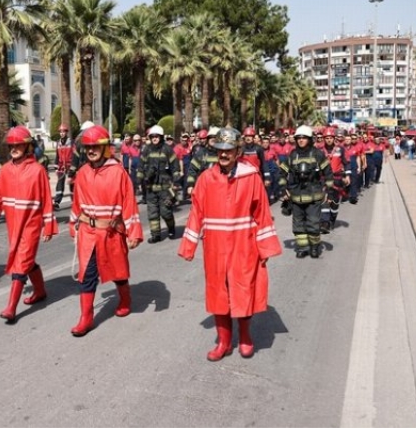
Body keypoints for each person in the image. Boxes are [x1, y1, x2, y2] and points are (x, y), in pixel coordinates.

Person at [178, 127, 282, 361]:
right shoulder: (206, 178)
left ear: (237, 151)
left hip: (243, 244)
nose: (223, 154)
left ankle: (245, 337)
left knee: (243, 289)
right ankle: (223, 342)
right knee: (218, 292)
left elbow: (262, 213)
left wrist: (264, 247)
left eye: (228, 150)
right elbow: (197, 213)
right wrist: (189, 245)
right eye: (220, 150)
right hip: (214, 246)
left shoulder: (251, 177)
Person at [69, 125, 143, 337]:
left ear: (105, 148)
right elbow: (77, 203)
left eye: (95, 146)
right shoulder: (82, 173)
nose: (91, 150)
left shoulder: (118, 173)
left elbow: (129, 203)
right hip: (88, 234)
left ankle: (125, 298)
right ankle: (86, 317)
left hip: (110, 232)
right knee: (87, 274)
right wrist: (73, 224)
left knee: (117, 271)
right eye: (88, 147)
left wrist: (134, 232)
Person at [0, 126, 58, 324]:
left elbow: (47, 200)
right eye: (11, 145)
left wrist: (48, 226)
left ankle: (11, 307)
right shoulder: (5, 170)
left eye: (19, 144)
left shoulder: (38, 171)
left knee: (21, 262)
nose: (14, 148)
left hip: (31, 225)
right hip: (13, 225)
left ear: (27, 145)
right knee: (26, 260)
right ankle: (40, 291)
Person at [279, 125, 334, 259]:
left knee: (313, 223)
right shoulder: (292, 155)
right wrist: (283, 190)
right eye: (299, 138)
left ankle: (315, 247)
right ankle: (302, 247)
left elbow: (328, 173)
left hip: (313, 197)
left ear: (310, 139)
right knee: (298, 225)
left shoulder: (317, 154)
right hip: (296, 197)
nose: (301, 140)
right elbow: (282, 173)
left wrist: (330, 192)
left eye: (304, 138)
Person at [137, 124, 181, 243]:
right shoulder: (146, 149)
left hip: (165, 188)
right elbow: (140, 166)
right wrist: (139, 182)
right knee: (152, 213)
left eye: (157, 136)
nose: (155, 138)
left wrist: (176, 182)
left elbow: (175, 166)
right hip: (150, 187)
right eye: (152, 136)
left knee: (166, 212)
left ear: (161, 137)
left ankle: (171, 228)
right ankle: (155, 234)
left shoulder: (167, 149)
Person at [319, 127, 350, 233]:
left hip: (337, 179)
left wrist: (347, 176)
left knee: (335, 203)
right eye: (326, 137)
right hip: (323, 179)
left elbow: (347, 163)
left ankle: (332, 219)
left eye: (330, 137)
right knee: (324, 200)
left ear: (334, 138)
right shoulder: (319, 150)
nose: (328, 139)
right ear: (324, 138)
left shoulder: (340, 149)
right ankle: (324, 223)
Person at [53, 123, 73, 210]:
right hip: (61, 166)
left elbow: (75, 154)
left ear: (66, 132)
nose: (62, 133)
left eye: (63, 132)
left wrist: (74, 166)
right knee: (60, 183)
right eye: (60, 132)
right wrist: (56, 166)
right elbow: (57, 155)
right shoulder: (58, 143)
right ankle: (57, 202)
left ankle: (75, 201)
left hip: (70, 165)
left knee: (72, 183)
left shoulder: (71, 142)